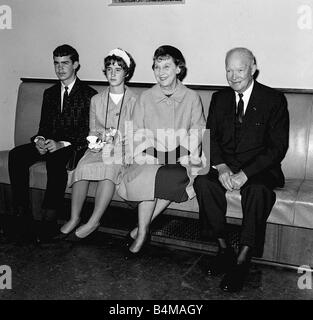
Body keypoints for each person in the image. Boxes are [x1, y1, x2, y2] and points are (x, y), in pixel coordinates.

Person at [194, 47, 289, 292]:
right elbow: (208, 137)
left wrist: (245, 174)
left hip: (259, 169)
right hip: (227, 165)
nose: (234, 76)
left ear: (253, 68)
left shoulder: (274, 99)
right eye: (229, 70)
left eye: (240, 69)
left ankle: (243, 258)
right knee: (203, 183)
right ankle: (224, 249)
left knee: (258, 192)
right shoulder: (219, 98)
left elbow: (277, 148)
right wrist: (222, 167)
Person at [118, 45, 206, 258]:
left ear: (178, 69)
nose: (161, 72)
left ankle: (140, 230)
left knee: (173, 175)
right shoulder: (145, 98)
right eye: (157, 67)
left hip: (182, 158)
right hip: (150, 156)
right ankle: (142, 234)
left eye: (167, 66)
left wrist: (178, 153)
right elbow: (135, 132)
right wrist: (153, 153)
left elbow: (198, 132)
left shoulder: (192, 97)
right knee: (151, 174)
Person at [8, 44, 97, 243]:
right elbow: (44, 127)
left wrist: (61, 143)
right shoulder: (49, 93)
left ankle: (49, 220)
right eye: (56, 63)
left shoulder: (89, 94)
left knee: (56, 160)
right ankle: (22, 215)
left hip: (73, 147)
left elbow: (86, 133)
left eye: (65, 63)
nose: (60, 68)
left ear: (76, 65)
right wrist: (39, 140)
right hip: (49, 143)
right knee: (17, 155)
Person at [59, 48, 137, 239]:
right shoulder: (96, 100)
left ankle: (94, 221)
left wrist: (117, 137)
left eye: (118, 69)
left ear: (127, 72)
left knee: (109, 170)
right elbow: (93, 130)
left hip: (123, 149)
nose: (112, 73)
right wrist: (95, 141)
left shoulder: (136, 101)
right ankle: (75, 217)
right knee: (82, 167)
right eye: (109, 68)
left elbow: (136, 133)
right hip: (100, 148)